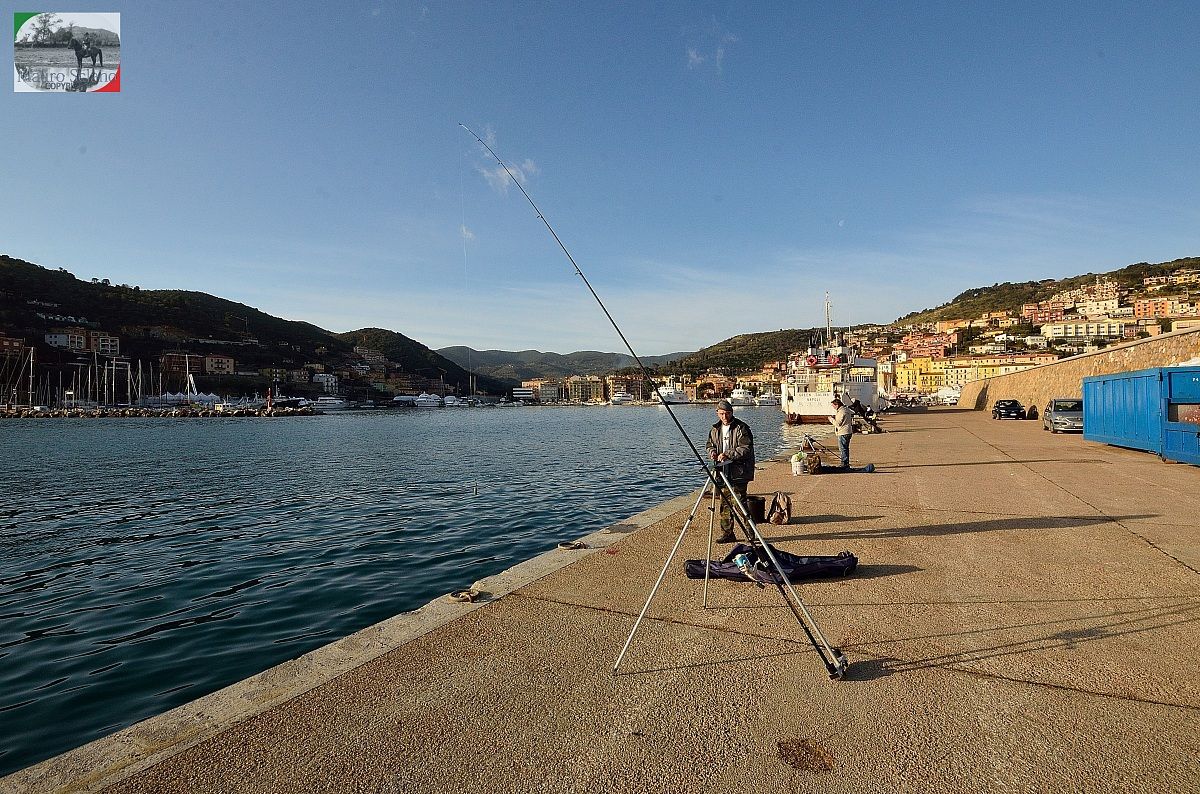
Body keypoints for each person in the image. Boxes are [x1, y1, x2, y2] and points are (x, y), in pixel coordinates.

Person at [706, 398, 755, 543]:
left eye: (727, 413)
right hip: (722, 471)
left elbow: (745, 449)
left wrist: (728, 454)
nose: (724, 417)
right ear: (717, 413)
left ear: (731, 412)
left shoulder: (742, 428)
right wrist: (712, 452)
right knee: (725, 504)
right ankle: (727, 533)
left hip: (739, 471)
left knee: (740, 503)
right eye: (721, 413)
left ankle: (751, 532)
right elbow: (709, 445)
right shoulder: (715, 429)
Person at [830, 398, 854, 469]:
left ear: (837, 405)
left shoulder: (841, 411)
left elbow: (838, 424)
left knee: (843, 448)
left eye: (833, 406)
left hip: (843, 432)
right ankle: (845, 463)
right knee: (845, 448)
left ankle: (844, 464)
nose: (833, 407)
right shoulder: (846, 410)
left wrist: (831, 419)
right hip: (848, 431)